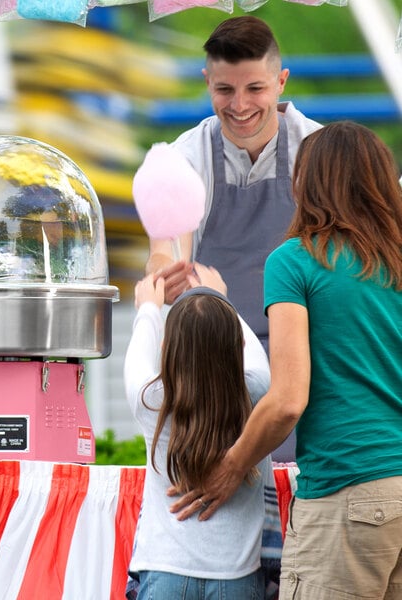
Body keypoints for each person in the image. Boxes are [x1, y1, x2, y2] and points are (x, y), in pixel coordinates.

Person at [170, 121, 402, 599]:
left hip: (347, 488)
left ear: (309, 183)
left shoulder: (295, 261)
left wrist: (231, 467)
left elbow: (288, 400)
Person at [145, 15, 321, 352]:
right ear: (207, 81)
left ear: (281, 81)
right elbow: (164, 251)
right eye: (225, 89)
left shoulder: (318, 150)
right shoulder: (182, 158)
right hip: (213, 352)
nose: (239, 106)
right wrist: (164, 276)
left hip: (306, 349)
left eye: (255, 88)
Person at [123, 263, 272, 599]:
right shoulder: (257, 392)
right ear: (235, 349)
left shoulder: (150, 399)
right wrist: (220, 298)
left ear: (167, 349)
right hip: (235, 577)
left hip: (164, 572)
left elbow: (140, 346)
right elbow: (249, 349)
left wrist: (149, 303)